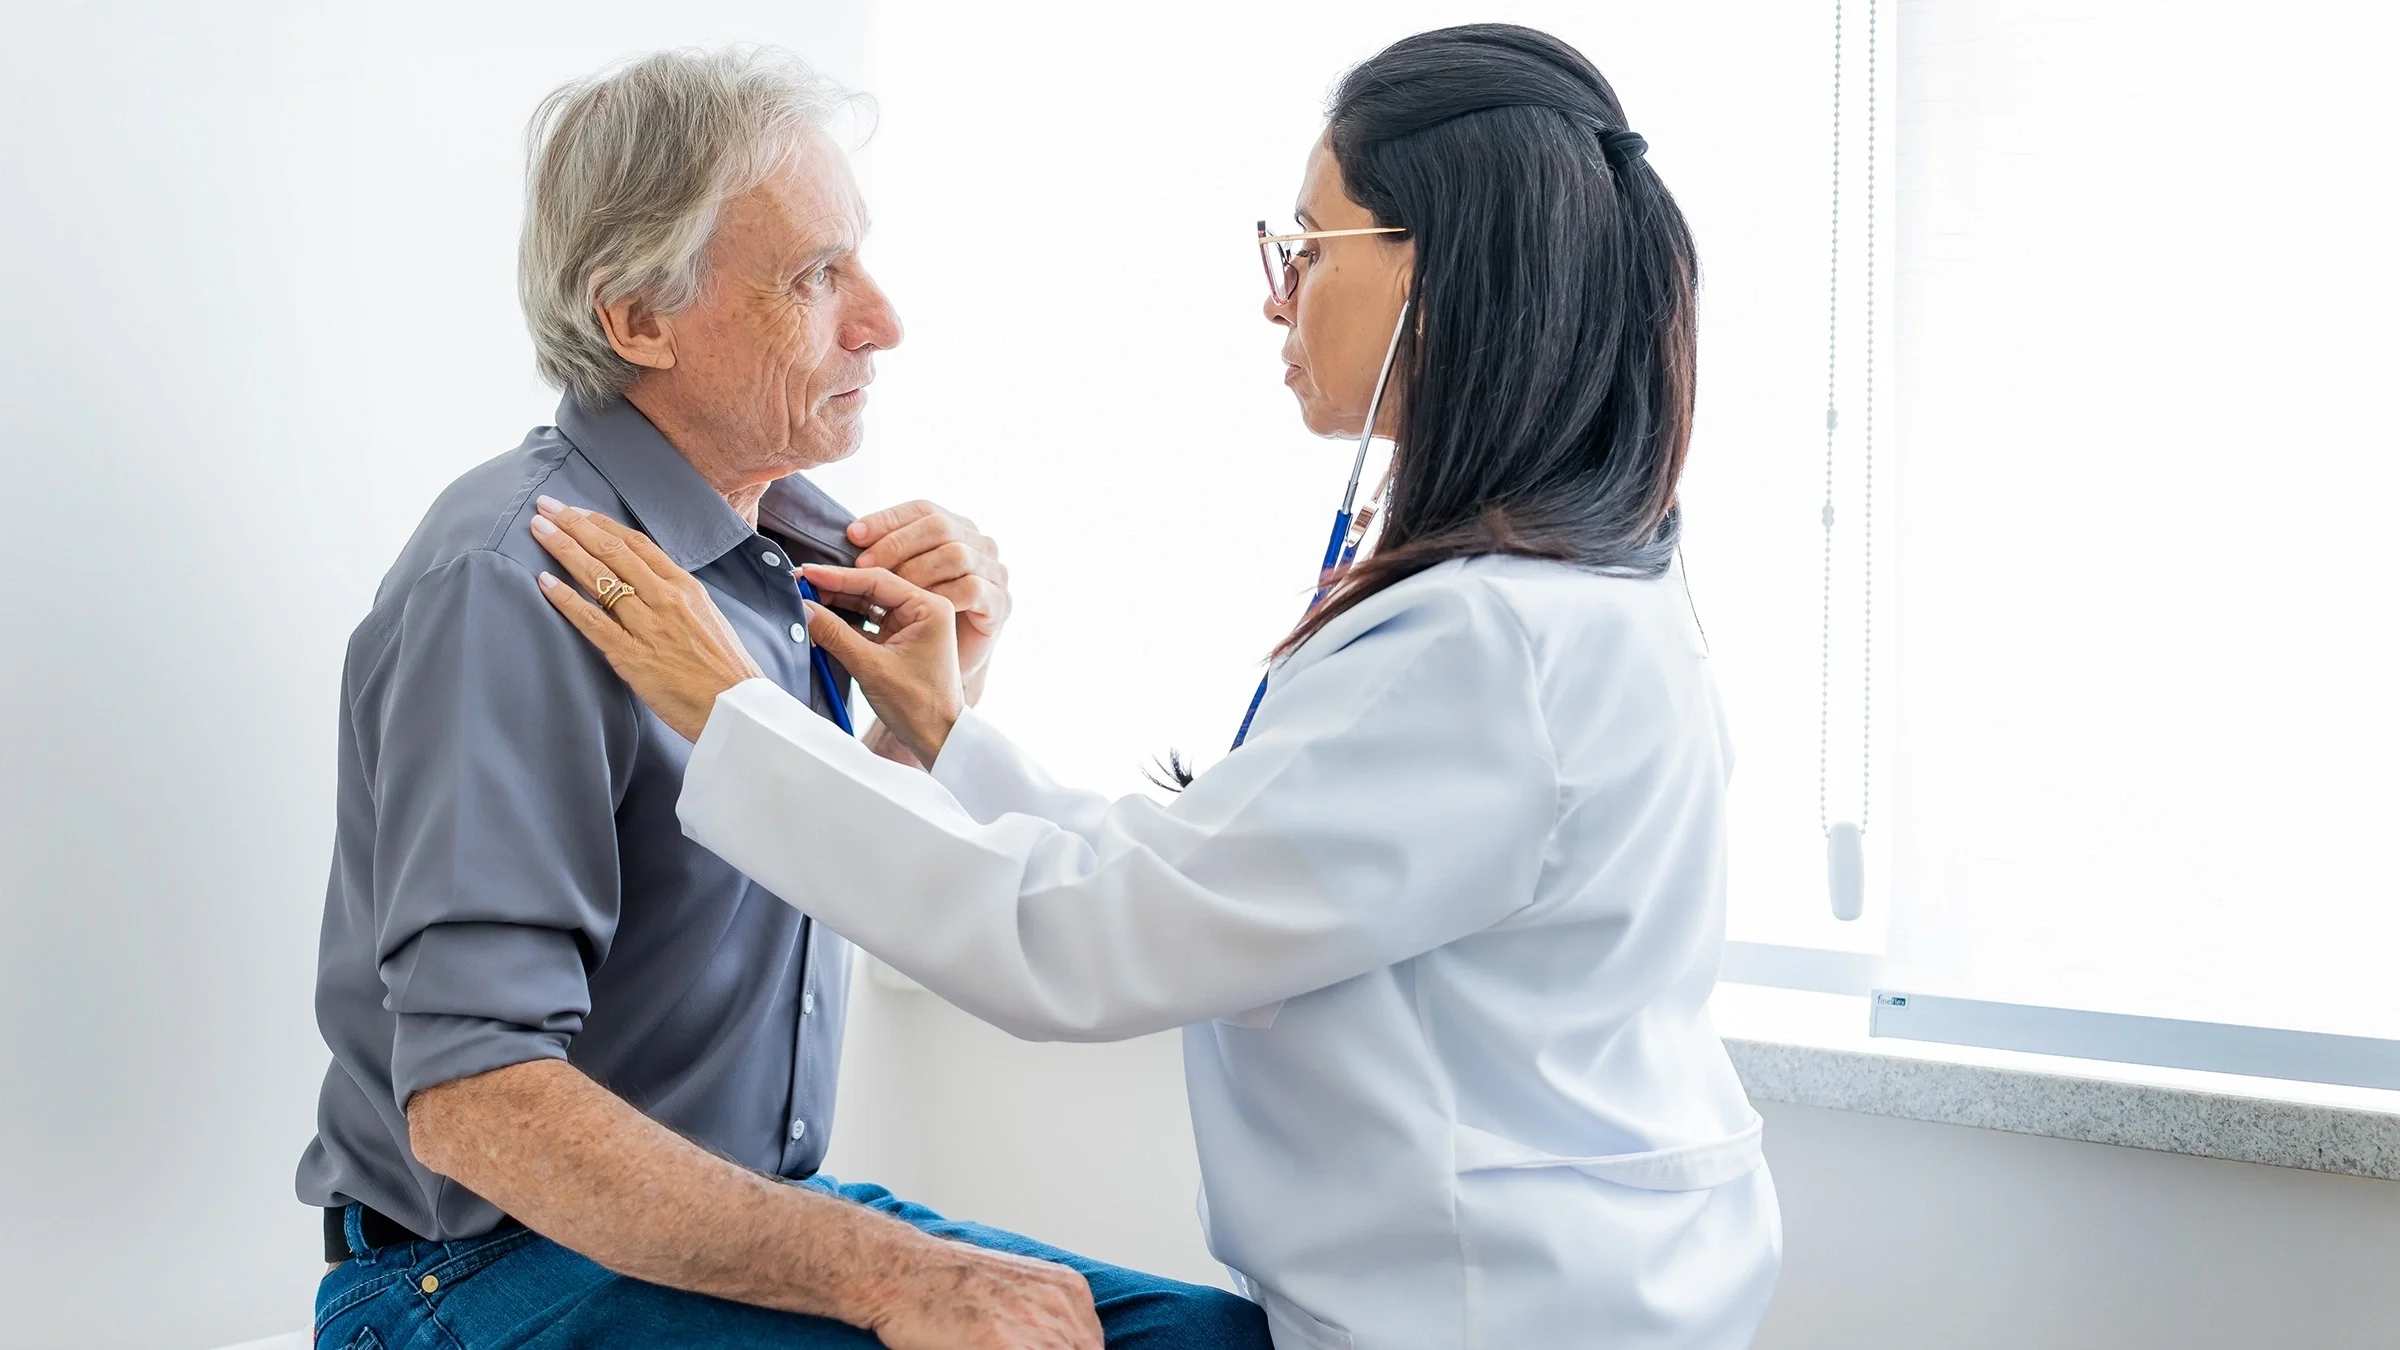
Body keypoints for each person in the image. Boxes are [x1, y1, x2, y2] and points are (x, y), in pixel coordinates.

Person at [529, 22, 1782, 1350]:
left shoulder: (1492, 646)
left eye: (1308, 246)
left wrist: (736, 716)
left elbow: (1092, 941)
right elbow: (1205, 881)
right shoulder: (1551, 596)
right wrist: (945, 732)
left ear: (1441, 270)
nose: (1276, 293)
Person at [298, 46, 1270, 1350]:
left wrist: (935, 717)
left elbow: (754, 891)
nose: (881, 318)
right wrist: (887, 1273)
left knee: (1226, 1341)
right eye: (817, 275)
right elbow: (480, 1103)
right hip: (476, 1275)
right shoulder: (520, 578)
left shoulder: (786, 566)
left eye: (856, 258)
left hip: (711, 1215)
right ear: (638, 316)